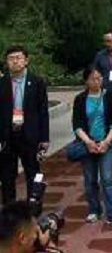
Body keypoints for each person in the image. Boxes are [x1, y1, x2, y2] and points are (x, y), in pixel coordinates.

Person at [72, 67, 112, 227]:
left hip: (106, 142)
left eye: (99, 78)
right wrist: (88, 142)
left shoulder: (110, 96)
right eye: (93, 78)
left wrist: (107, 141)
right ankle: (94, 210)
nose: (97, 81)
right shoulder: (80, 99)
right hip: (88, 143)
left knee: (107, 179)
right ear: (86, 81)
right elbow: (77, 124)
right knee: (90, 179)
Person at [0, 47, 49, 206]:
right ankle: (9, 210)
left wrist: (44, 138)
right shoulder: (2, 83)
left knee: (33, 174)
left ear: (26, 60)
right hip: (7, 136)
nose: (15, 61)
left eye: (18, 58)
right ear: (7, 62)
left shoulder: (37, 82)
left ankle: (34, 208)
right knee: (7, 176)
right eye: (11, 58)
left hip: (29, 134)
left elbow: (43, 111)